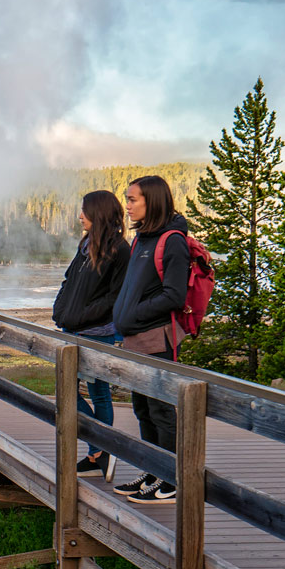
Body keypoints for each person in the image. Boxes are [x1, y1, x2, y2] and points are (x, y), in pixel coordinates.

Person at [109, 175, 192, 505]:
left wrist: (136, 312)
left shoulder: (172, 241)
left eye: (133, 199)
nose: (127, 205)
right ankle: (152, 469)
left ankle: (172, 478)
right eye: (127, 199)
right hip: (135, 340)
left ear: (151, 201)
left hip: (158, 339)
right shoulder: (141, 239)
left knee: (160, 410)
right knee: (142, 407)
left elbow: (174, 294)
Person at [52, 190, 130, 481]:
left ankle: (98, 451)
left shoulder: (120, 250)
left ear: (97, 213)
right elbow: (69, 280)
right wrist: (60, 309)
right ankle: (100, 450)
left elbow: (114, 297)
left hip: (98, 334)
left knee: (99, 393)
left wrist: (80, 315)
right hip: (71, 331)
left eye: (83, 211)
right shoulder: (85, 244)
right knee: (66, 390)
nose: (79, 216)